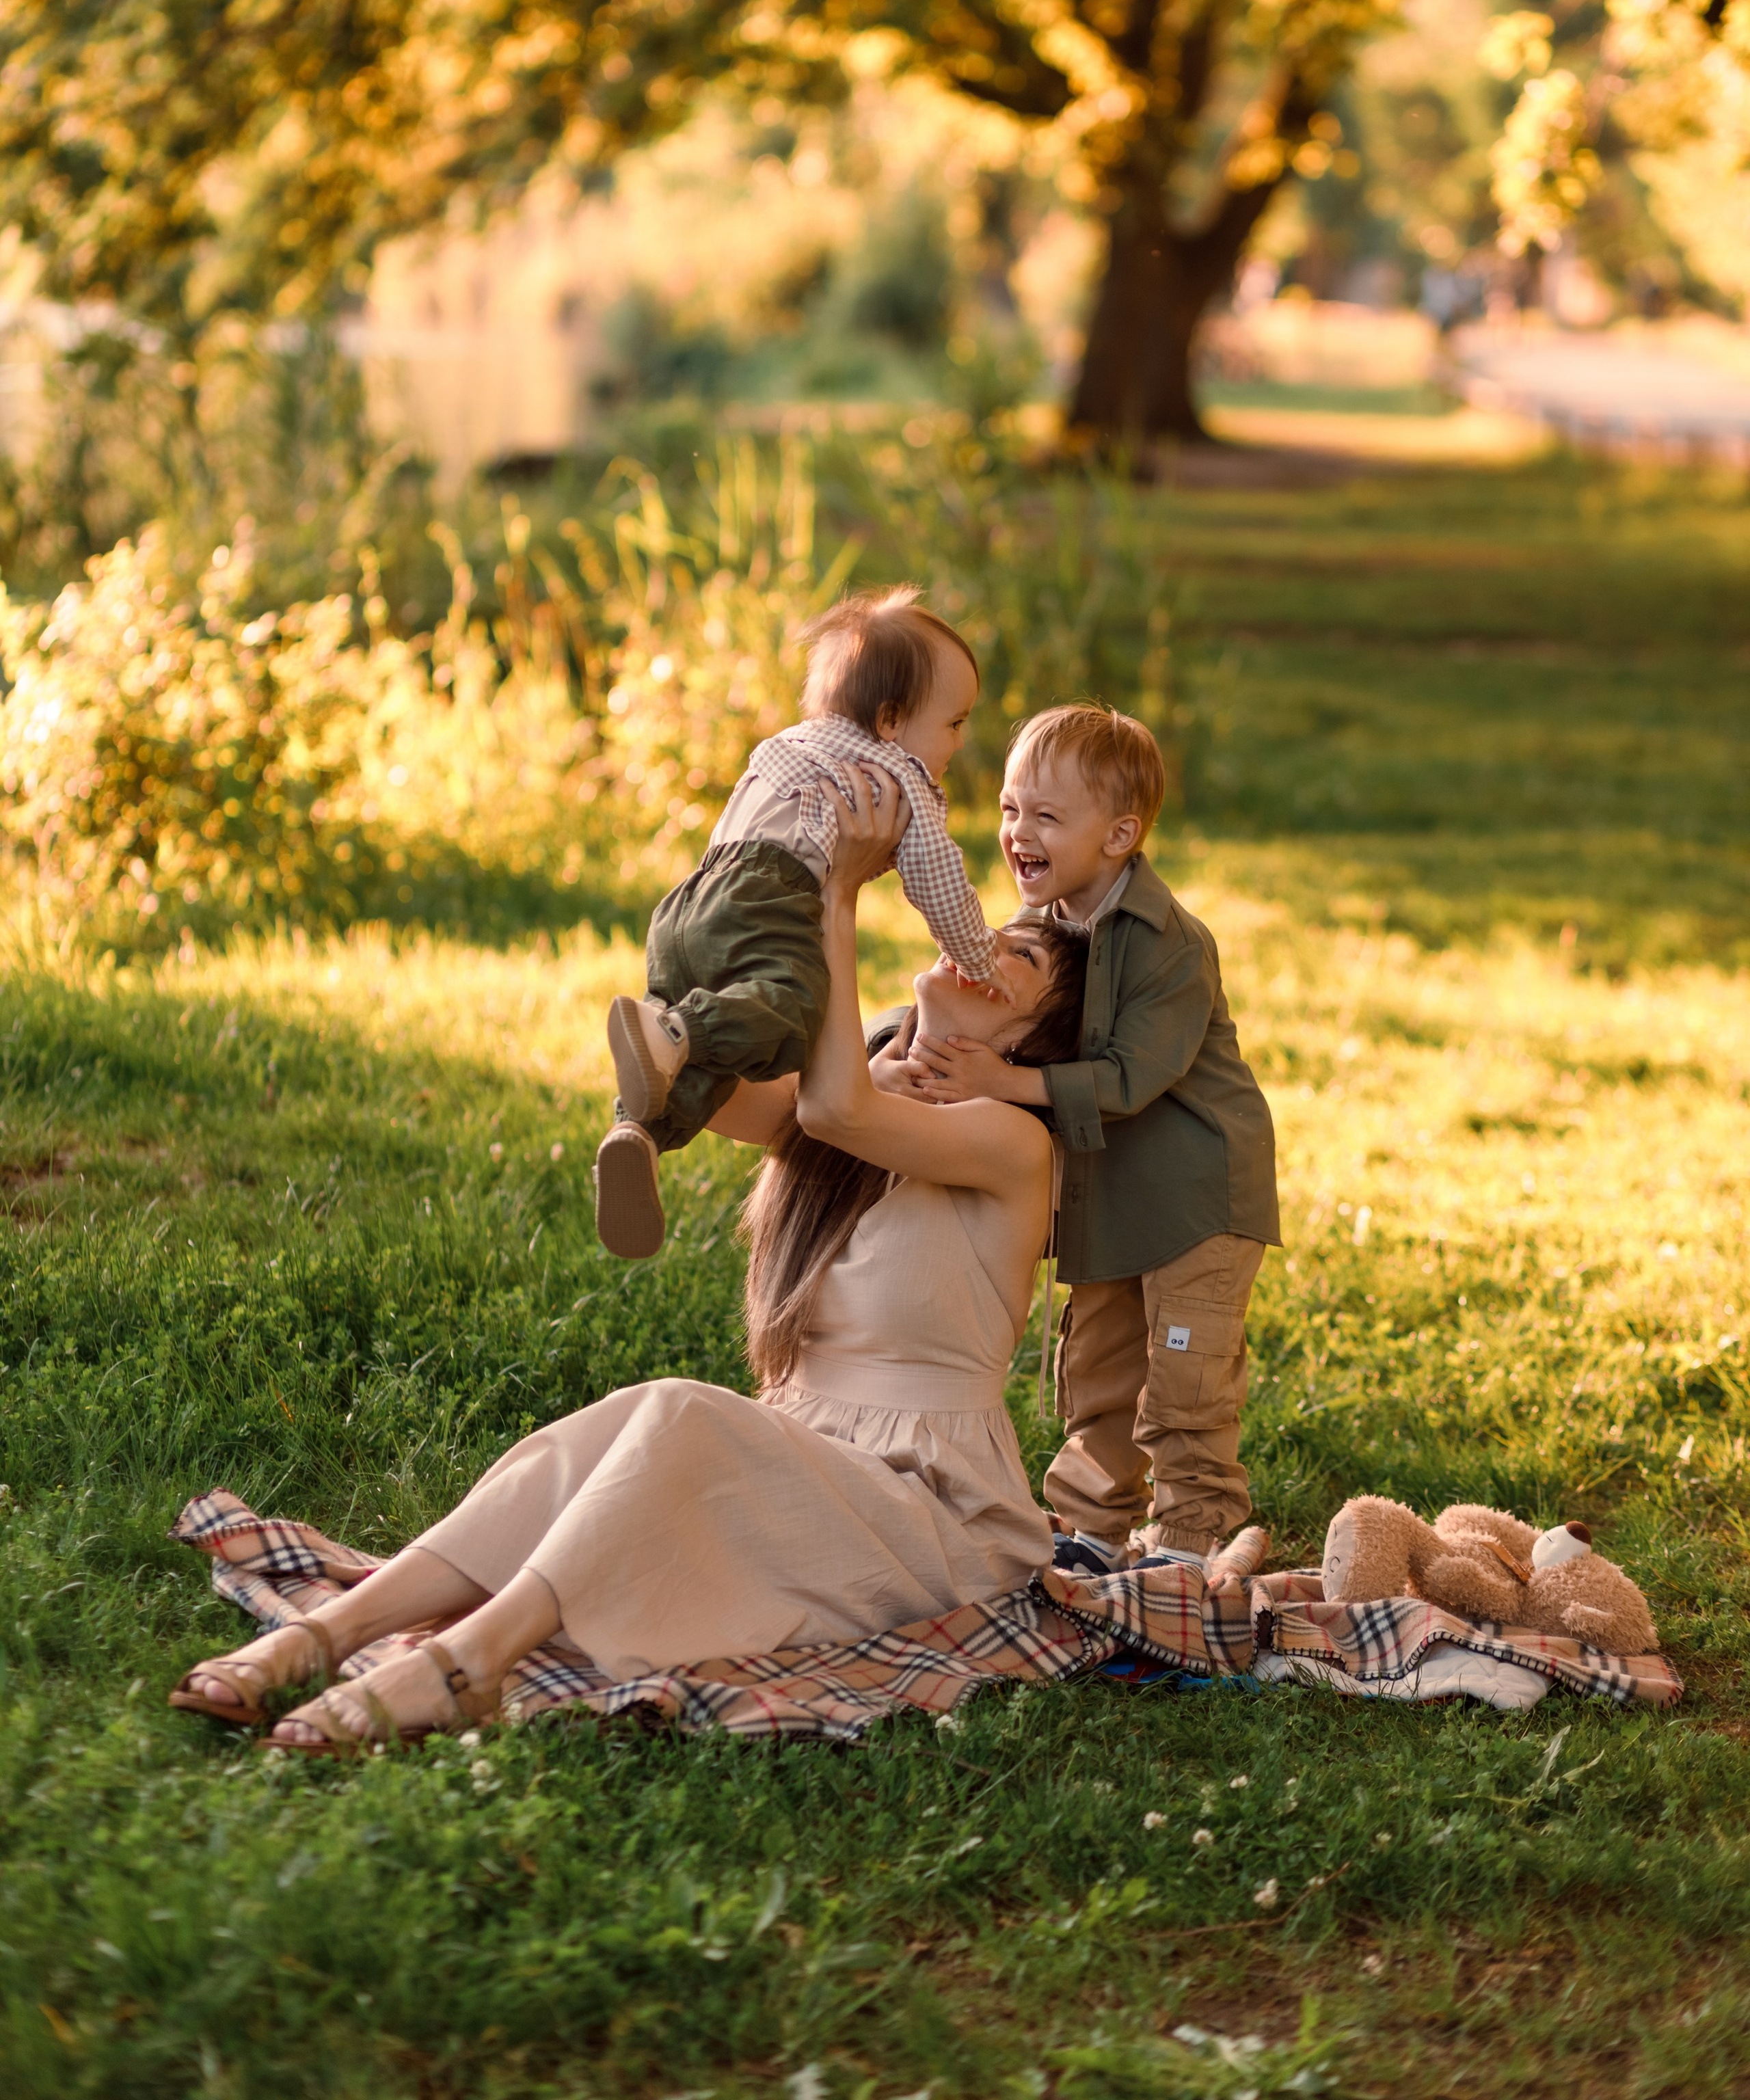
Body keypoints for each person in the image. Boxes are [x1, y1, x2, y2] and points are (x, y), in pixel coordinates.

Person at [167, 776, 1087, 1753]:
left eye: (1020, 955)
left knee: (682, 1414)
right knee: (613, 1432)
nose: (981, 940)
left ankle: (470, 1660)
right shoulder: (864, 1079)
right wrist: (762, 884)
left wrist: (842, 892)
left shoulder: (1010, 1143)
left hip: (934, 1511)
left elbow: (834, 1112)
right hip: (806, 1448)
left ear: (1030, 1040)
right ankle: (328, 1632)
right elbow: (704, 1087)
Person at [877, 703, 1280, 1579]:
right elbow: (977, 996)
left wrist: (1004, 1083)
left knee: (1185, 1375)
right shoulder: (1048, 924)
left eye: (1047, 816)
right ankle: (1094, 1530)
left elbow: (1132, 1077)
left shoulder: (1170, 945)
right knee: (1098, 1364)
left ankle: (1186, 1542)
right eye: (1010, 808)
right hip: (1111, 1186)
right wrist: (894, 1052)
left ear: (1119, 836)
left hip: (1197, 1193)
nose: (1018, 833)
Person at [593, 587, 1009, 1261]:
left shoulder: (786, 744)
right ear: (891, 721)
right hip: (769, 901)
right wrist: (978, 956)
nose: (960, 740)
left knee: (715, 1053)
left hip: (690, 903)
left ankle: (635, 1133)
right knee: (789, 1016)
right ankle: (673, 1031)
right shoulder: (897, 774)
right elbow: (939, 881)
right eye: (955, 722)